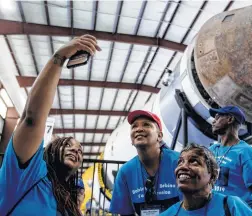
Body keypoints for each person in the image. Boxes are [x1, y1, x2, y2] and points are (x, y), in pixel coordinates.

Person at [0, 34, 101, 215]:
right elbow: (32, 118)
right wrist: (59, 57)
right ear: (52, 148)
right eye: (67, 144)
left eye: (80, 150)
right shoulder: (28, 174)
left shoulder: (69, 202)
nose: (76, 150)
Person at [110, 110, 181, 215]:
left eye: (146, 125)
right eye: (134, 126)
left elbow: (195, 206)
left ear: (159, 136)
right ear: (131, 139)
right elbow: (125, 213)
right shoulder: (126, 172)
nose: (139, 129)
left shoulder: (180, 162)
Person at [208, 105, 252, 216]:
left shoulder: (245, 152)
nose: (213, 121)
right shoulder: (212, 150)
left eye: (217, 117)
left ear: (230, 119)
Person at [160, 143, 252, 216]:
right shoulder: (168, 214)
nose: (183, 166)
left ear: (213, 175)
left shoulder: (231, 206)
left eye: (194, 161)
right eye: (180, 162)